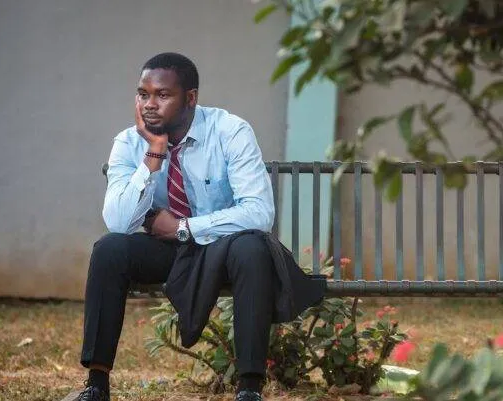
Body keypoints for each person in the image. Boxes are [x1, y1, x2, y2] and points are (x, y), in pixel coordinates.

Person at [72, 52, 323, 401]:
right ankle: (97, 383)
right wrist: (154, 153)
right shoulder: (129, 143)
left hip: (224, 248)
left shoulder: (230, 131)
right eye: (143, 94)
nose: (149, 104)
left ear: (190, 98)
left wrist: (183, 227)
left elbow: (258, 212)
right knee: (109, 249)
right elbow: (118, 222)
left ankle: (249, 387)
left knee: (252, 248)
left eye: (162, 95)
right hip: (168, 251)